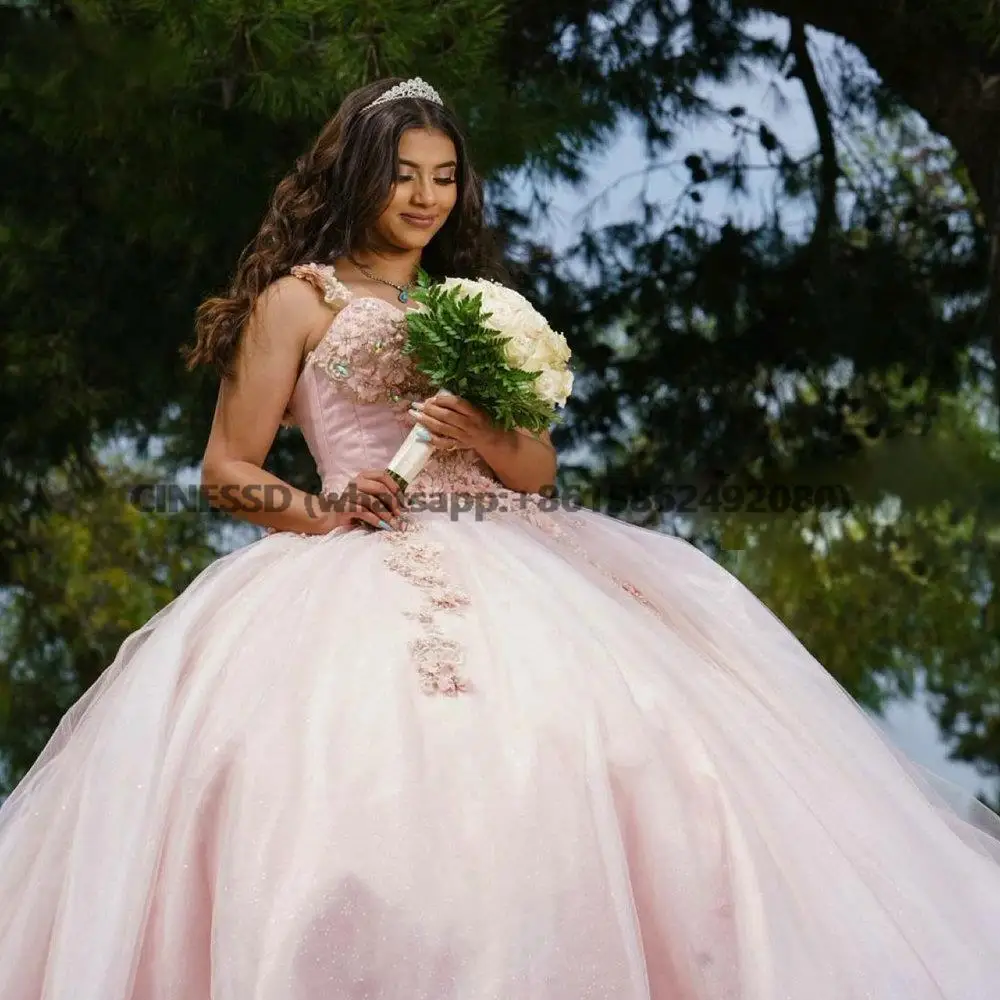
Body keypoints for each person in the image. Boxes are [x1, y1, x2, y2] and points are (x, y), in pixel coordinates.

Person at [1, 76, 999, 1000]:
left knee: (626, 750)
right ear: (355, 178)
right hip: (353, 558)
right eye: (402, 176)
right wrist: (324, 511)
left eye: (442, 177)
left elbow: (536, 471)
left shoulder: (469, 307)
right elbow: (228, 468)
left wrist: (485, 431)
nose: (425, 197)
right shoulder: (298, 300)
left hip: (517, 549)